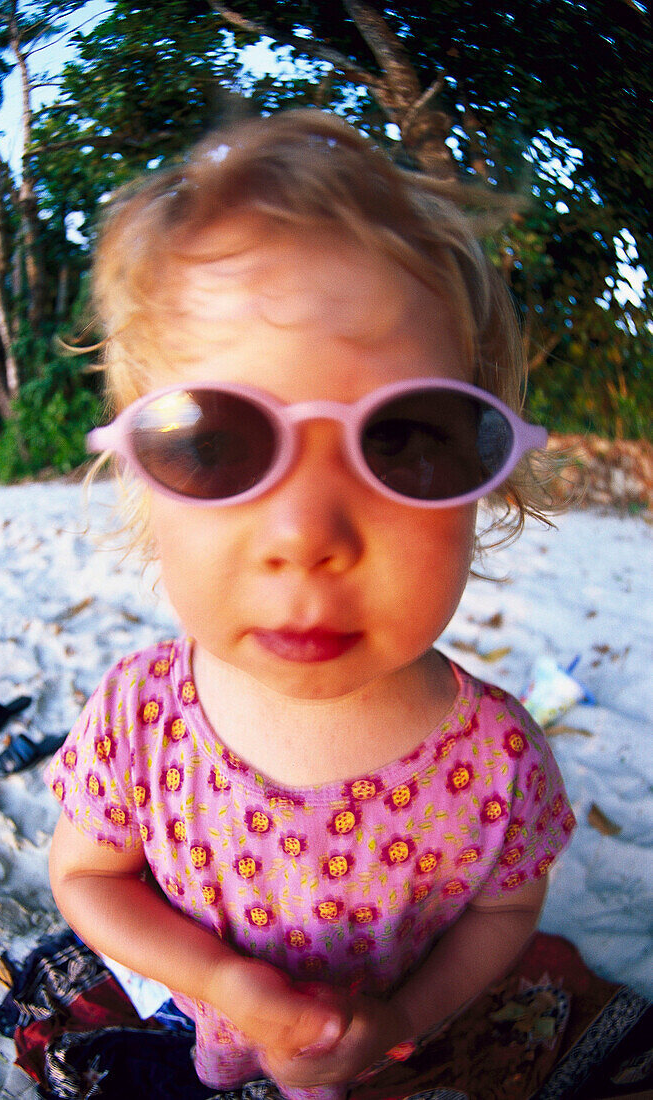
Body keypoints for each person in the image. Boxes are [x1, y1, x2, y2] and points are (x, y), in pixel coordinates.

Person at [46, 109, 575, 1100]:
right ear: (144, 482)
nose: (307, 531)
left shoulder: (496, 755)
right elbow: (86, 876)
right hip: (214, 1035)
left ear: (487, 480)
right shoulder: (141, 717)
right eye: (217, 442)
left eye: (405, 436)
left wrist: (401, 1020)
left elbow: (504, 912)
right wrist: (222, 981)